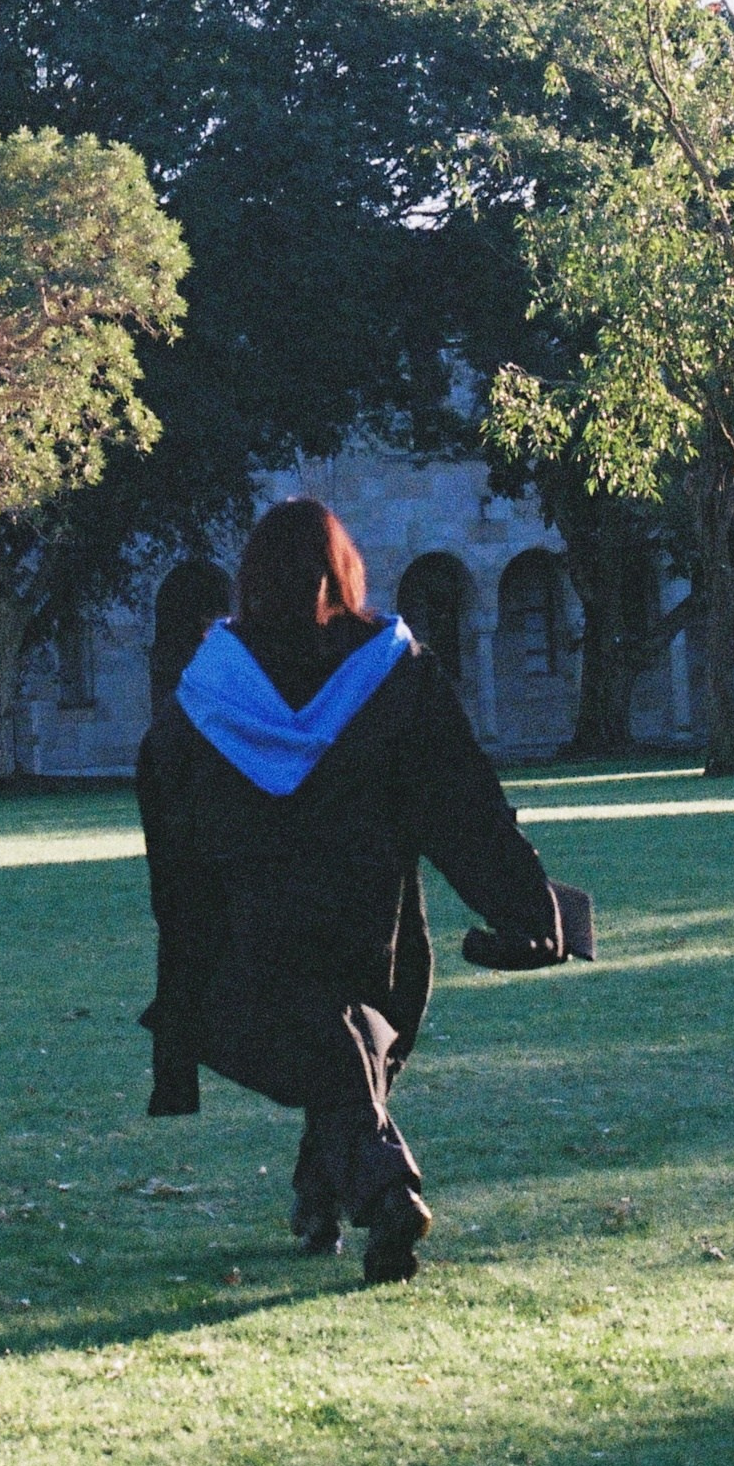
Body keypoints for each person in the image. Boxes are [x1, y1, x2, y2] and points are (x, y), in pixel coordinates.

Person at [135, 497, 568, 1283]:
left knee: (326, 1046)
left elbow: (175, 835)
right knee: (350, 1043)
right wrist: (522, 906)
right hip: (374, 929)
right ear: (346, 572)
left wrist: (184, 963)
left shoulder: (206, 697)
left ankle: (385, 1184)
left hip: (257, 933)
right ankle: (321, 1192)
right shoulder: (394, 674)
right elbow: (464, 804)